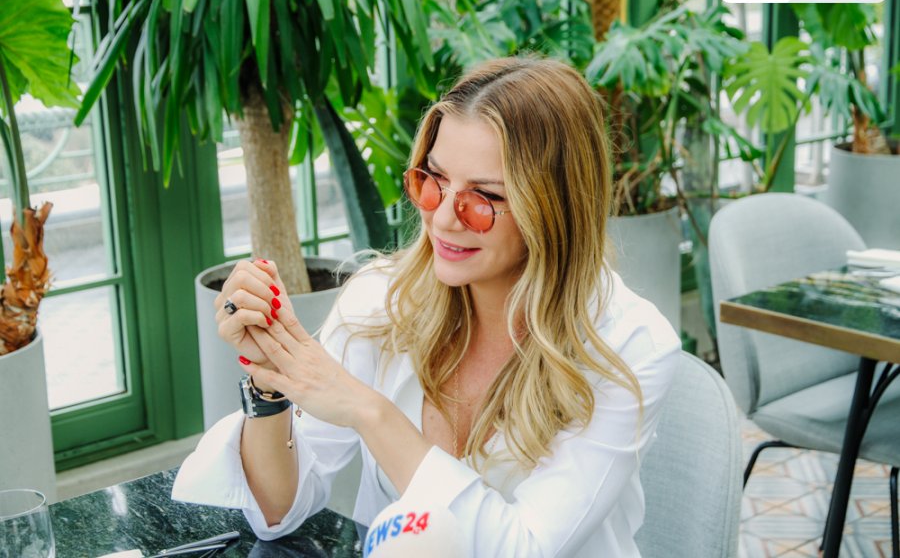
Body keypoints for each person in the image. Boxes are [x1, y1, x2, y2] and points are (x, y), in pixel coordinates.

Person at [172, 57, 681, 557]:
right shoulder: (381, 301)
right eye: (433, 180)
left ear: (554, 208)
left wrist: (369, 412)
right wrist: (270, 381)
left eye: (483, 197)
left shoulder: (629, 344)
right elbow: (277, 512)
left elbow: (522, 547)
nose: (443, 219)